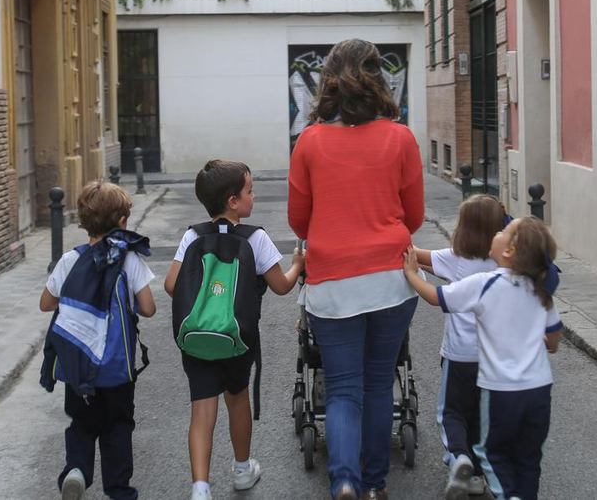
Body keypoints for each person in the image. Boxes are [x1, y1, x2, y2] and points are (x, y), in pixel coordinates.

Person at [288, 38, 425, 500]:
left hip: (332, 281)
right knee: (378, 381)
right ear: (379, 80)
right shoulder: (401, 137)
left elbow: (298, 221)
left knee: (343, 386)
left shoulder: (308, 142)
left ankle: (343, 480)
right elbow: (415, 217)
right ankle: (373, 486)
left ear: (327, 84)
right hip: (390, 277)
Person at [164, 159, 304, 500]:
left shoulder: (192, 235)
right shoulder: (255, 238)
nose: (253, 197)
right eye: (250, 191)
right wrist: (298, 264)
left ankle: (200, 487)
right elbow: (282, 286)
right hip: (238, 338)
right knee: (237, 399)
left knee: (201, 407)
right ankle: (242, 470)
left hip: (196, 337)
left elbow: (171, 285)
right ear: (233, 202)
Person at [403, 216, 562, 500]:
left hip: (500, 390)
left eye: (504, 231)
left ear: (509, 251)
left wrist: (412, 274)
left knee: (491, 452)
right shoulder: (540, 291)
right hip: (539, 388)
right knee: (528, 455)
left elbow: (436, 297)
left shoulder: (484, 284)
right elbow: (553, 341)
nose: (497, 232)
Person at [39, 181, 158, 500]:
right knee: (118, 428)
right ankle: (119, 490)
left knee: (81, 424)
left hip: (78, 367)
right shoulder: (129, 260)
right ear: (121, 222)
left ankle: (76, 470)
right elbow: (148, 308)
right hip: (118, 370)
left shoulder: (69, 261)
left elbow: (46, 304)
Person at [411, 195, 505, 500]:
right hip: (492, 358)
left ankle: (458, 456)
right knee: (479, 414)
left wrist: (407, 266)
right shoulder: (504, 262)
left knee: (449, 411)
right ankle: (477, 475)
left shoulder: (456, 258)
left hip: (459, 354)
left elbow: (415, 256)